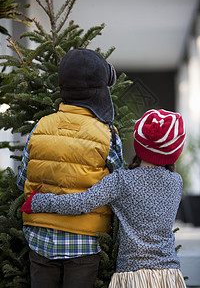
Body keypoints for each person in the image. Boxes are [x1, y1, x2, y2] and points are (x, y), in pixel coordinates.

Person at [22, 109, 187, 288]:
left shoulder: (121, 180)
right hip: (169, 275)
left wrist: (38, 201)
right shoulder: (176, 182)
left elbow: (82, 202)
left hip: (132, 277)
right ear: (174, 151)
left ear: (139, 143)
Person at [17, 48, 123, 288]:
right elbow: (119, 184)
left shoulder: (40, 127)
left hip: (39, 236)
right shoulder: (107, 135)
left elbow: (21, 178)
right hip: (84, 241)